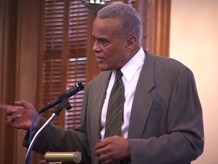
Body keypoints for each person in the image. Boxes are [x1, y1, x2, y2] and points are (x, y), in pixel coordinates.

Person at [1, 2, 204, 164]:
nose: (94, 48)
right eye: (93, 39)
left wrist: (131, 149)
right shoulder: (95, 86)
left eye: (103, 41)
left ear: (130, 42)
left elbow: (190, 142)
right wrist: (38, 125)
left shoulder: (175, 75)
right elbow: (86, 145)